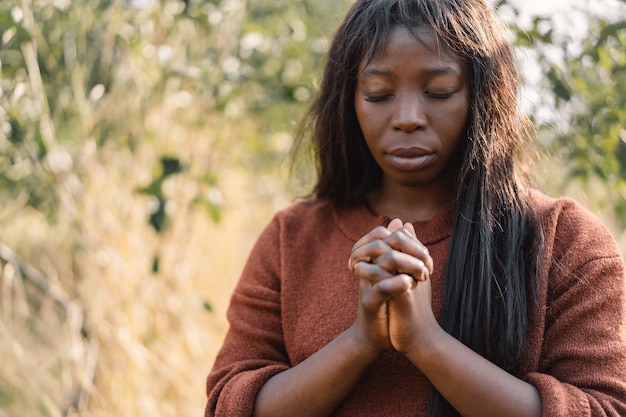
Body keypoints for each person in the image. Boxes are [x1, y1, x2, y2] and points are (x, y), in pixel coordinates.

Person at [205, 0, 626, 416]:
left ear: (483, 95)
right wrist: (360, 341)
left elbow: (604, 408)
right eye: (379, 94)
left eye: (439, 92)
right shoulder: (291, 239)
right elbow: (228, 404)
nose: (408, 117)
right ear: (349, 101)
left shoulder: (563, 241)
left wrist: (425, 341)